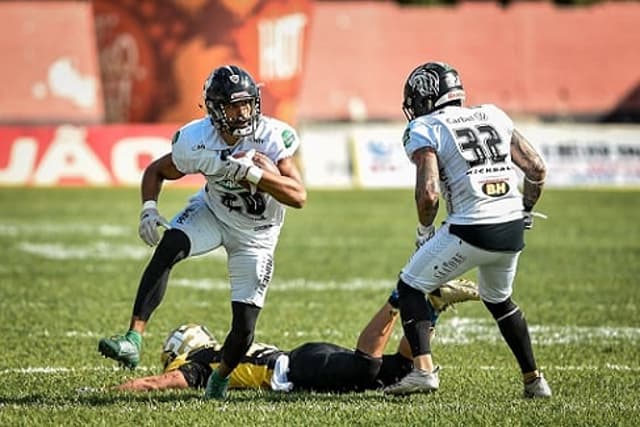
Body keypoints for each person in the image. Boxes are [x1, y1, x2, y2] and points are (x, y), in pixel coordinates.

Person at [97, 64, 307, 401]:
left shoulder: (271, 136)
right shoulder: (195, 140)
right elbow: (156, 170)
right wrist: (148, 208)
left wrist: (255, 176)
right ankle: (133, 338)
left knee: (244, 328)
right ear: (214, 110)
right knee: (170, 245)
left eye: (247, 104)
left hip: (257, 236)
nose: (242, 113)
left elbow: (298, 196)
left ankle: (220, 378)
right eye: (232, 106)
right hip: (212, 212)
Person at [382, 62, 551, 399]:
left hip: (471, 227)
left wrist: (423, 231)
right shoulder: (493, 114)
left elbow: (428, 193)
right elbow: (536, 168)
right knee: (499, 299)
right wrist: (525, 211)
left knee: (410, 286)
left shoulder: (426, 126)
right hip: (511, 227)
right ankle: (534, 380)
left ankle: (423, 371)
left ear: (427, 97)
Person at [111, 279, 480, 394]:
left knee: (364, 369)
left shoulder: (201, 361)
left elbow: (158, 382)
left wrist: (110, 392)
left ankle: (398, 300)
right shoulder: (215, 352)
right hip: (302, 360)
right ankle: (431, 308)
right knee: (400, 370)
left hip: (298, 366)